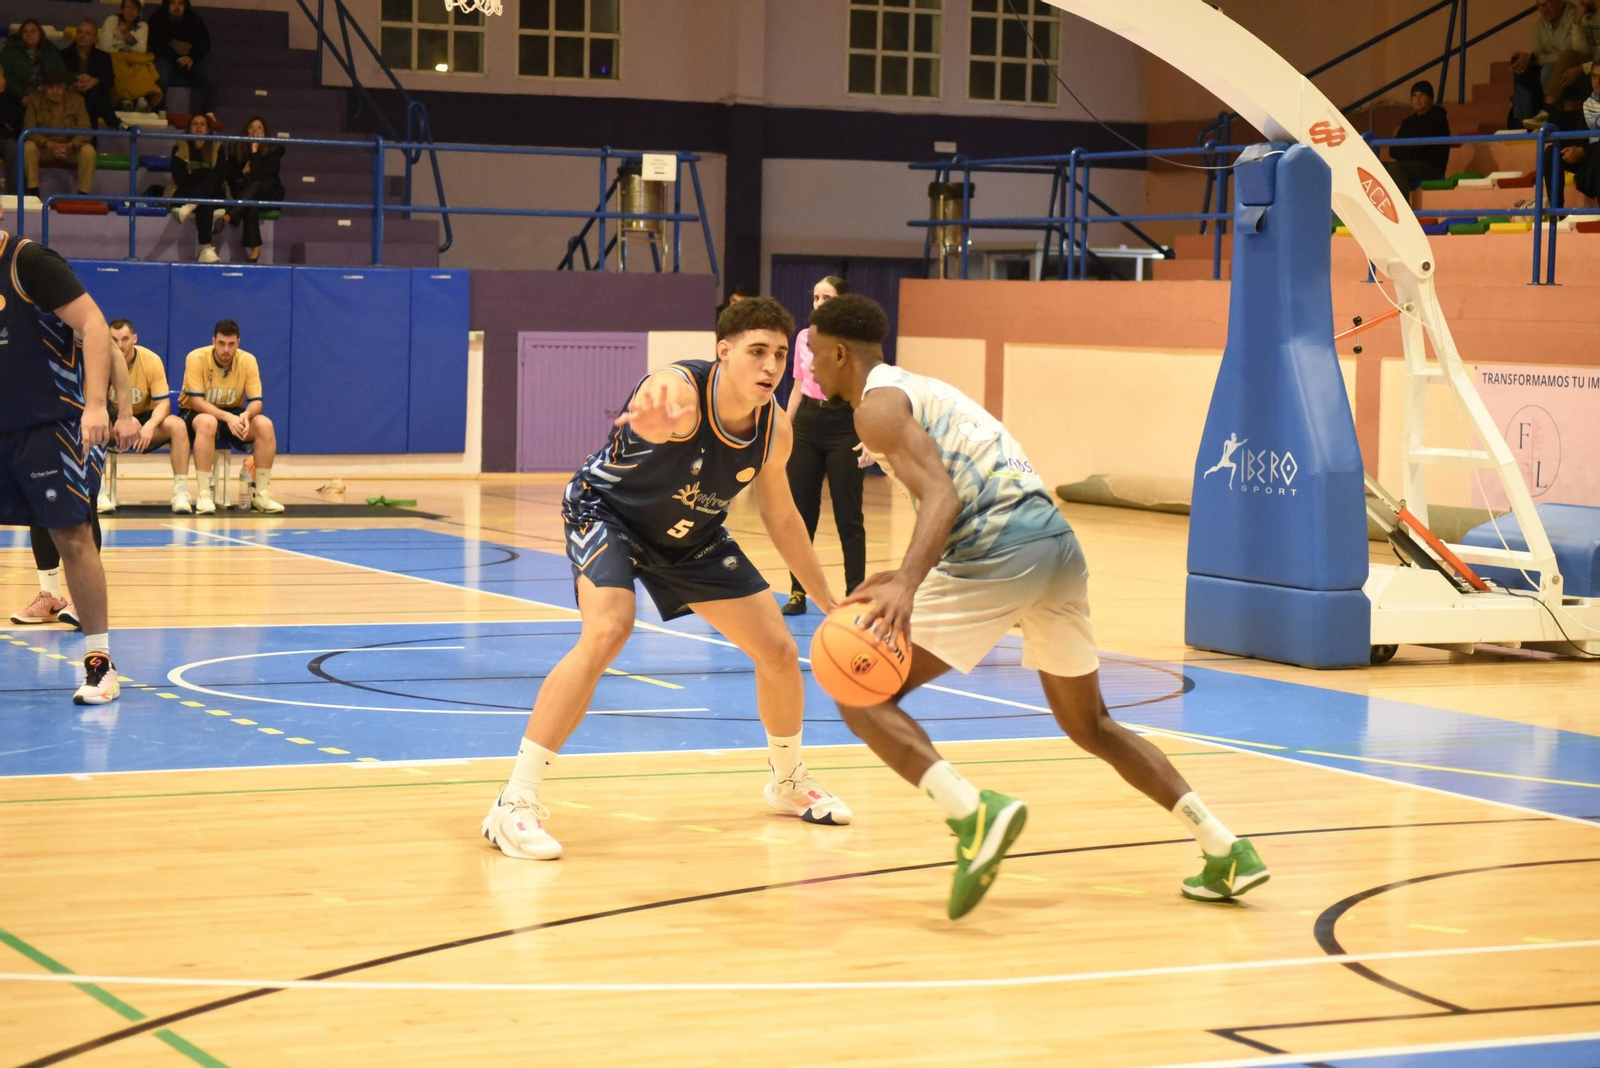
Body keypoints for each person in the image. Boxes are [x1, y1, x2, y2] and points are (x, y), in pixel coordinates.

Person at [804, 295, 1268, 921]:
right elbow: (966, 491)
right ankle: (1224, 845)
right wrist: (909, 569)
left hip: (1003, 552)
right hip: (1055, 546)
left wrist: (908, 584)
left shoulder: (876, 408)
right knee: (1091, 725)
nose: (809, 368)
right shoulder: (921, 390)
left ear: (839, 353)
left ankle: (973, 815)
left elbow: (940, 495)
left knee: (859, 692)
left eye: (810, 354)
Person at [481, 297, 851, 861]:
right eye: (756, 351)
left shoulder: (774, 427)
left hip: (690, 533)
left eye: (779, 354)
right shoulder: (677, 391)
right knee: (609, 630)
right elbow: (642, 429)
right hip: (608, 513)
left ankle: (787, 780)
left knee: (777, 648)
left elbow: (780, 516)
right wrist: (650, 431)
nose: (771, 366)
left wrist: (824, 593)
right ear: (723, 352)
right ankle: (514, 801)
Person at [0, 205, 140, 703]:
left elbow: (96, 325)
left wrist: (101, 406)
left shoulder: (29, 261)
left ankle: (101, 664)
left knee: (73, 535)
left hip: (46, 425)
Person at [781, 275, 867, 616]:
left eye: (827, 298)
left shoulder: (857, 342)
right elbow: (798, 386)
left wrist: (868, 434)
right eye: (816, 298)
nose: (819, 304)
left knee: (849, 516)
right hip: (807, 425)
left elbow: (863, 391)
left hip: (844, 422)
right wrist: (784, 428)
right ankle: (798, 592)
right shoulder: (803, 338)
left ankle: (856, 594)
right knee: (800, 514)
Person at [180, 319, 284, 514]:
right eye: (221, 343)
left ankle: (261, 493)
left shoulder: (248, 360)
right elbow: (196, 402)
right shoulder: (195, 357)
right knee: (208, 422)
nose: (226, 350)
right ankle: (204, 494)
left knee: (264, 424)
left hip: (233, 413)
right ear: (213, 341)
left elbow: (256, 402)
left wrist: (247, 414)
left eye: (231, 344)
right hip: (197, 414)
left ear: (238, 342)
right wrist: (227, 417)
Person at [99, 318, 194, 515]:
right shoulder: (100, 361)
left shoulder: (151, 360)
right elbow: (96, 403)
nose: (119, 345)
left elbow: (164, 403)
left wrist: (150, 425)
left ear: (134, 339)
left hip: (145, 419)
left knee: (177, 426)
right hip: (113, 421)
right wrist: (121, 420)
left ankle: (181, 492)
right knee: (95, 428)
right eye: (114, 340)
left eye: (124, 339)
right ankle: (99, 492)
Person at [1512, 0, 1590, 127]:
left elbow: (1571, 53)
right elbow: (1539, 53)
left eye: (1547, 4)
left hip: (1575, 62)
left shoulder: (1574, 16)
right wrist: (1528, 59)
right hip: (1556, 62)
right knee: (1523, 68)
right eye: (1539, 6)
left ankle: (1549, 112)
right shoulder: (1541, 23)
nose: (1544, 9)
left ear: (1559, 2)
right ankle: (1521, 121)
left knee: (1547, 70)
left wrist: (1536, 58)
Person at [22, 71, 96, 199]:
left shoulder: (78, 101)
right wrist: (49, 144)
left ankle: (82, 196)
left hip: (69, 149)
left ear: (65, 88)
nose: (55, 91)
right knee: (28, 147)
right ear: (44, 89)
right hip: (45, 148)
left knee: (89, 151)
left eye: (59, 87)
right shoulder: (34, 100)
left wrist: (70, 145)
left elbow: (86, 129)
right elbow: (29, 129)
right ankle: (34, 193)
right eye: (51, 88)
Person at [220, 116, 285, 263]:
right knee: (251, 203)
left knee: (256, 185)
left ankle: (230, 216)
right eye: (252, 128)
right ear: (246, 132)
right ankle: (255, 249)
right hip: (245, 192)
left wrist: (255, 152)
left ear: (265, 132)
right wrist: (243, 172)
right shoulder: (236, 148)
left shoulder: (274, 150)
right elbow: (229, 176)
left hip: (269, 191)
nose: (255, 130)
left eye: (259, 128)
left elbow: (266, 175)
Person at [147, 0, 218, 127]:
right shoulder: (157, 19)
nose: (177, 7)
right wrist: (176, 57)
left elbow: (204, 43)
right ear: (167, 5)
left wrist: (191, 57)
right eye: (173, 3)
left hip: (191, 63)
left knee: (210, 71)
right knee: (159, 70)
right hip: (168, 60)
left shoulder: (194, 20)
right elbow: (157, 44)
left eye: (180, 3)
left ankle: (208, 112)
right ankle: (160, 109)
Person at [168, 113, 226, 262]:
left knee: (212, 182)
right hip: (186, 191)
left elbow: (219, 176)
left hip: (212, 191)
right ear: (189, 128)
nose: (199, 127)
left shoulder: (217, 147)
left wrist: (200, 177)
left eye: (202, 124)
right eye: (195, 124)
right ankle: (206, 248)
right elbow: (180, 178)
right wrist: (203, 178)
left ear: (208, 129)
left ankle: (189, 207)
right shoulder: (179, 147)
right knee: (206, 197)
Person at [1383, 81, 1451, 200]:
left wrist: (1406, 150)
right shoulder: (1408, 122)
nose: (1417, 99)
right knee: (1378, 166)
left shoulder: (1438, 119)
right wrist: (1411, 149)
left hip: (1432, 167)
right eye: (1414, 95)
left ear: (1430, 99)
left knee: (1396, 168)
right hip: (1409, 164)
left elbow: (1424, 150)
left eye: (1422, 95)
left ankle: (1404, 213)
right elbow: (1393, 151)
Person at [101, 0, 162, 113]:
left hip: (133, 59)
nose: (131, 11)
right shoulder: (111, 21)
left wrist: (126, 35)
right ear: (121, 9)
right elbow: (105, 46)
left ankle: (141, 100)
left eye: (134, 9)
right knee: (120, 66)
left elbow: (141, 50)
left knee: (142, 66)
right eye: (128, 7)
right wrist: (128, 51)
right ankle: (125, 100)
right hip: (113, 57)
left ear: (138, 12)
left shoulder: (142, 26)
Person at [60, 19, 120, 132]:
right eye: (80, 32)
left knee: (91, 94)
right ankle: (114, 121)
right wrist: (74, 84)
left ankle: (89, 146)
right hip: (70, 96)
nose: (82, 36)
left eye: (87, 33)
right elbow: (58, 77)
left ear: (95, 38)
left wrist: (95, 81)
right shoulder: (62, 55)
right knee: (89, 97)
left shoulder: (103, 57)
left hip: (93, 100)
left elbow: (109, 80)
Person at [1, 20, 69, 104]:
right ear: (20, 35)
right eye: (25, 32)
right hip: (17, 95)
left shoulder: (50, 50)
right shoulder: (10, 50)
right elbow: (6, 76)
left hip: (48, 93)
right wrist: (22, 95)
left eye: (33, 31)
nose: (29, 34)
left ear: (40, 33)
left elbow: (62, 72)